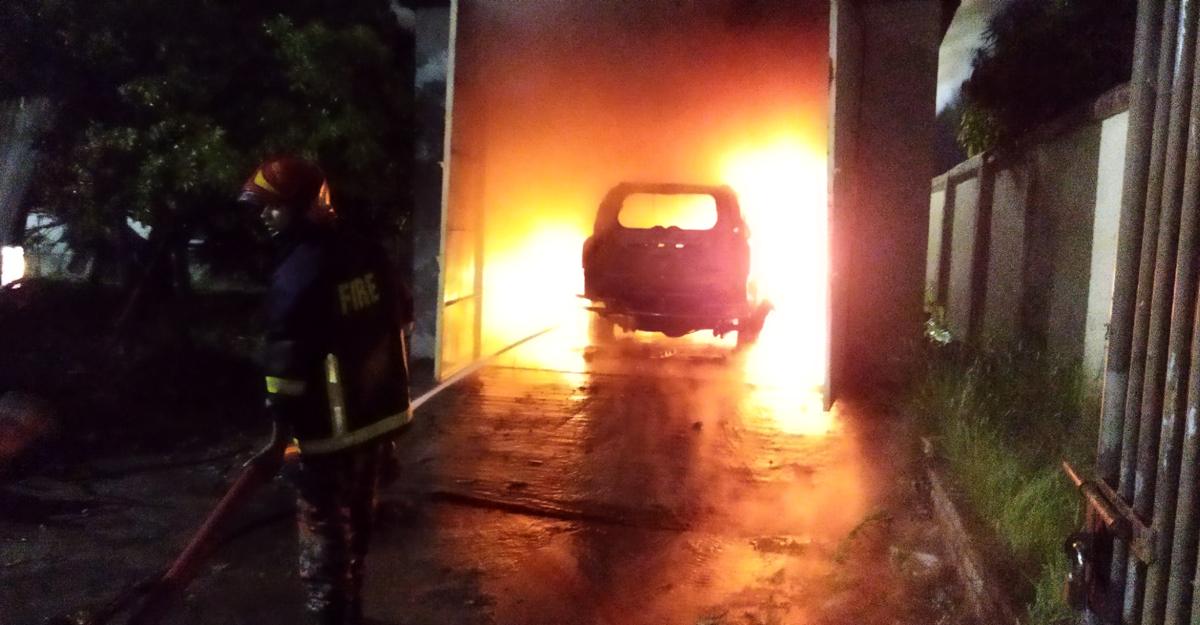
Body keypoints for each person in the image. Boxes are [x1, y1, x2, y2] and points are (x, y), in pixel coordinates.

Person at [237, 156, 412, 625]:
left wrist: (278, 439)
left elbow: (287, 360)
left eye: (274, 207)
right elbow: (401, 316)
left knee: (325, 536)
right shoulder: (365, 251)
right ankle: (350, 613)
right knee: (358, 524)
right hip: (373, 426)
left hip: (326, 435)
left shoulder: (301, 269)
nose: (265, 216)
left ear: (305, 206)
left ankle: (332, 617)